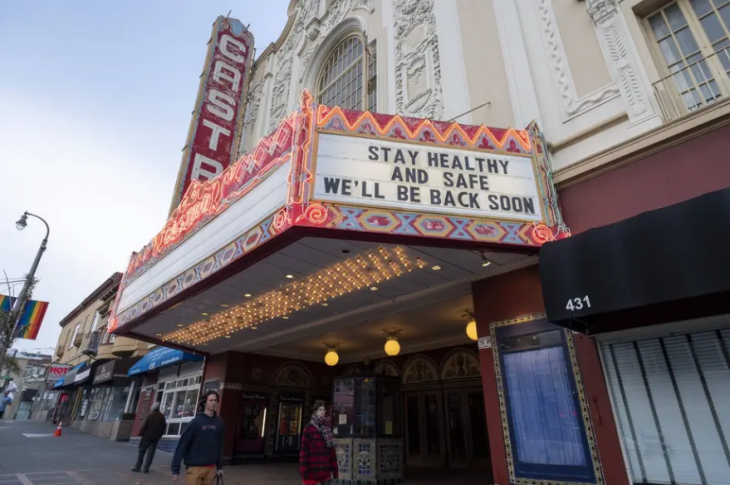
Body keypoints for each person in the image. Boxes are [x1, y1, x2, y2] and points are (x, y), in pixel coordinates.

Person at [171, 390, 224, 485]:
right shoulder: (196, 422)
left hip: (211, 468)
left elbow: (219, 445)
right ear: (205, 403)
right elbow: (183, 444)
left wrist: (219, 466)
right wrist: (175, 469)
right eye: (210, 400)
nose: (213, 403)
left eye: (215, 401)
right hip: (195, 467)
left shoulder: (219, 423)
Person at [299, 401, 338, 485]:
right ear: (315, 411)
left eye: (324, 410)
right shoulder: (309, 428)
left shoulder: (327, 428)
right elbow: (304, 451)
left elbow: (332, 452)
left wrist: (335, 471)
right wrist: (303, 470)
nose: (322, 412)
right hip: (312, 468)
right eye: (320, 410)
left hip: (325, 468)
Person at [132, 402, 167, 473]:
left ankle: (138, 467)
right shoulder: (162, 416)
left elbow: (143, 425)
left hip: (146, 436)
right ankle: (146, 468)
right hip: (155, 438)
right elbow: (164, 427)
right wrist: (160, 435)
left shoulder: (149, 415)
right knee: (150, 454)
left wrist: (140, 433)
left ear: (153, 408)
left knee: (141, 451)